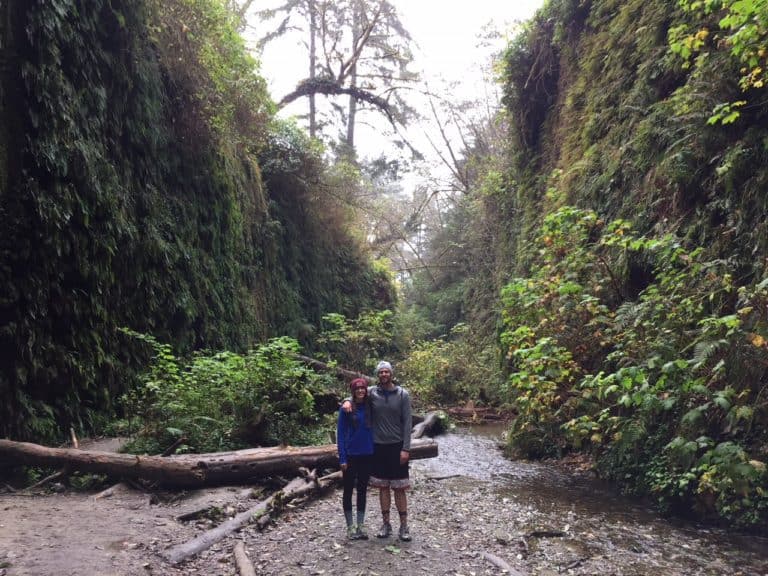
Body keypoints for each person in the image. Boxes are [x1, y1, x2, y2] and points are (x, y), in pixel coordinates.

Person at [342, 360, 413, 541]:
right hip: (378, 447)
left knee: (399, 487)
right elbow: (358, 393)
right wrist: (347, 401)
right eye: (380, 372)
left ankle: (404, 526)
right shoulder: (373, 392)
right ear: (377, 375)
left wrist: (406, 448)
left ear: (391, 374)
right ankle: (386, 523)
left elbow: (407, 423)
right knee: (383, 486)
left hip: (397, 446)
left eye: (386, 372)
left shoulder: (403, 394)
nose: (383, 374)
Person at [337, 377, 374, 540]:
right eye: (357, 389)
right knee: (348, 491)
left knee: (362, 490)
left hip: (367, 455)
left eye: (363, 389)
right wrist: (342, 458)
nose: (360, 391)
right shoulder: (346, 409)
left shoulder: (370, 406)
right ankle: (350, 526)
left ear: (366, 390)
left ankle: (360, 525)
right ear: (353, 391)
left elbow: (378, 388)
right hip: (351, 455)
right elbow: (340, 434)